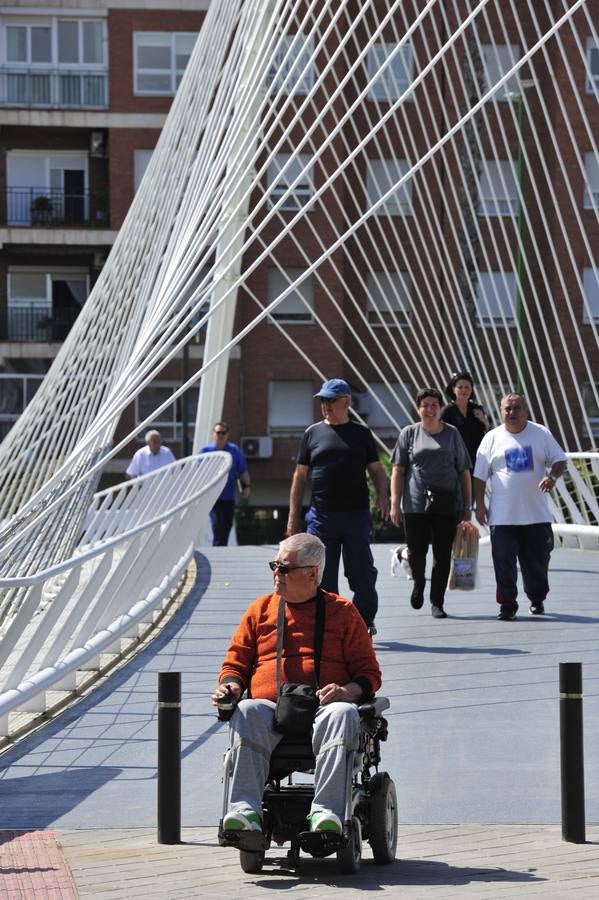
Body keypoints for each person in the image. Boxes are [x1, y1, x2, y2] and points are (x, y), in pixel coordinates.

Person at [211, 533, 382, 836]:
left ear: (313, 573)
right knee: (247, 709)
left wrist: (346, 692)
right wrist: (231, 686)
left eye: (284, 568)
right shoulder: (259, 610)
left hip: (323, 709)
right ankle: (245, 811)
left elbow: (369, 674)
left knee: (342, 713)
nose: (276, 573)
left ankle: (326, 813)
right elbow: (235, 664)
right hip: (270, 709)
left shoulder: (343, 612)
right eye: (274, 565)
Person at [286, 378, 389, 634]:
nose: (326, 405)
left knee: (361, 573)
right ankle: (330, 625)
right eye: (323, 400)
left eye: (331, 400)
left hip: (355, 516)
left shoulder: (361, 434)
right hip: (322, 517)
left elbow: (377, 471)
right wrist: (292, 518)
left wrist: (383, 496)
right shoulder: (312, 433)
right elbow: (300, 476)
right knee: (323, 575)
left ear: (347, 402)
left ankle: (364, 621)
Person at [473, 393, 566, 620]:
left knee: (537, 562)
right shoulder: (491, 438)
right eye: (507, 409)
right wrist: (479, 506)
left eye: (517, 408)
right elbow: (479, 476)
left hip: (536, 515)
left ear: (526, 410)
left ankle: (537, 598)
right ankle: (507, 604)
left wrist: (552, 477)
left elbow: (559, 460)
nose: (512, 413)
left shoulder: (540, 433)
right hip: (503, 517)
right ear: (501, 411)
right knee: (503, 562)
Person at [390, 388, 472, 618]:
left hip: (447, 504)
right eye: (425, 404)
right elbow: (398, 470)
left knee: (443, 554)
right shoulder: (408, 433)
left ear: (440, 408)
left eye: (434, 404)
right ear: (418, 409)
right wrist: (395, 502)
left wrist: (467, 505)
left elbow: (464, 470)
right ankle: (418, 584)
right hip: (416, 505)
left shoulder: (452, 434)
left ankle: (437, 602)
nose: (430, 409)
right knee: (417, 552)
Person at [200, 422, 251, 546]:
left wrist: (247, 487)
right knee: (217, 525)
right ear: (213, 435)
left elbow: (243, 471)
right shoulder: (205, 451)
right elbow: (200, 474)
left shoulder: (234, 450)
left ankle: (221, 549)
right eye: (218, 432)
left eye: (224, 433)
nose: (221, 435)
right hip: (213, 497)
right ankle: (217, 549)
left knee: (227, 526)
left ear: (227, 435)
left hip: (229, 496)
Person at [441, 370, 489, 468]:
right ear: (454, 389)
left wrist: (483, 421)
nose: (464, 390)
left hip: (476, 460)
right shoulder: (447, 411)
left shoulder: (477, 409)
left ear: (471, 389)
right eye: (460, 387)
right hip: (455, 462)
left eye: (467, 387)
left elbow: (488, 434)